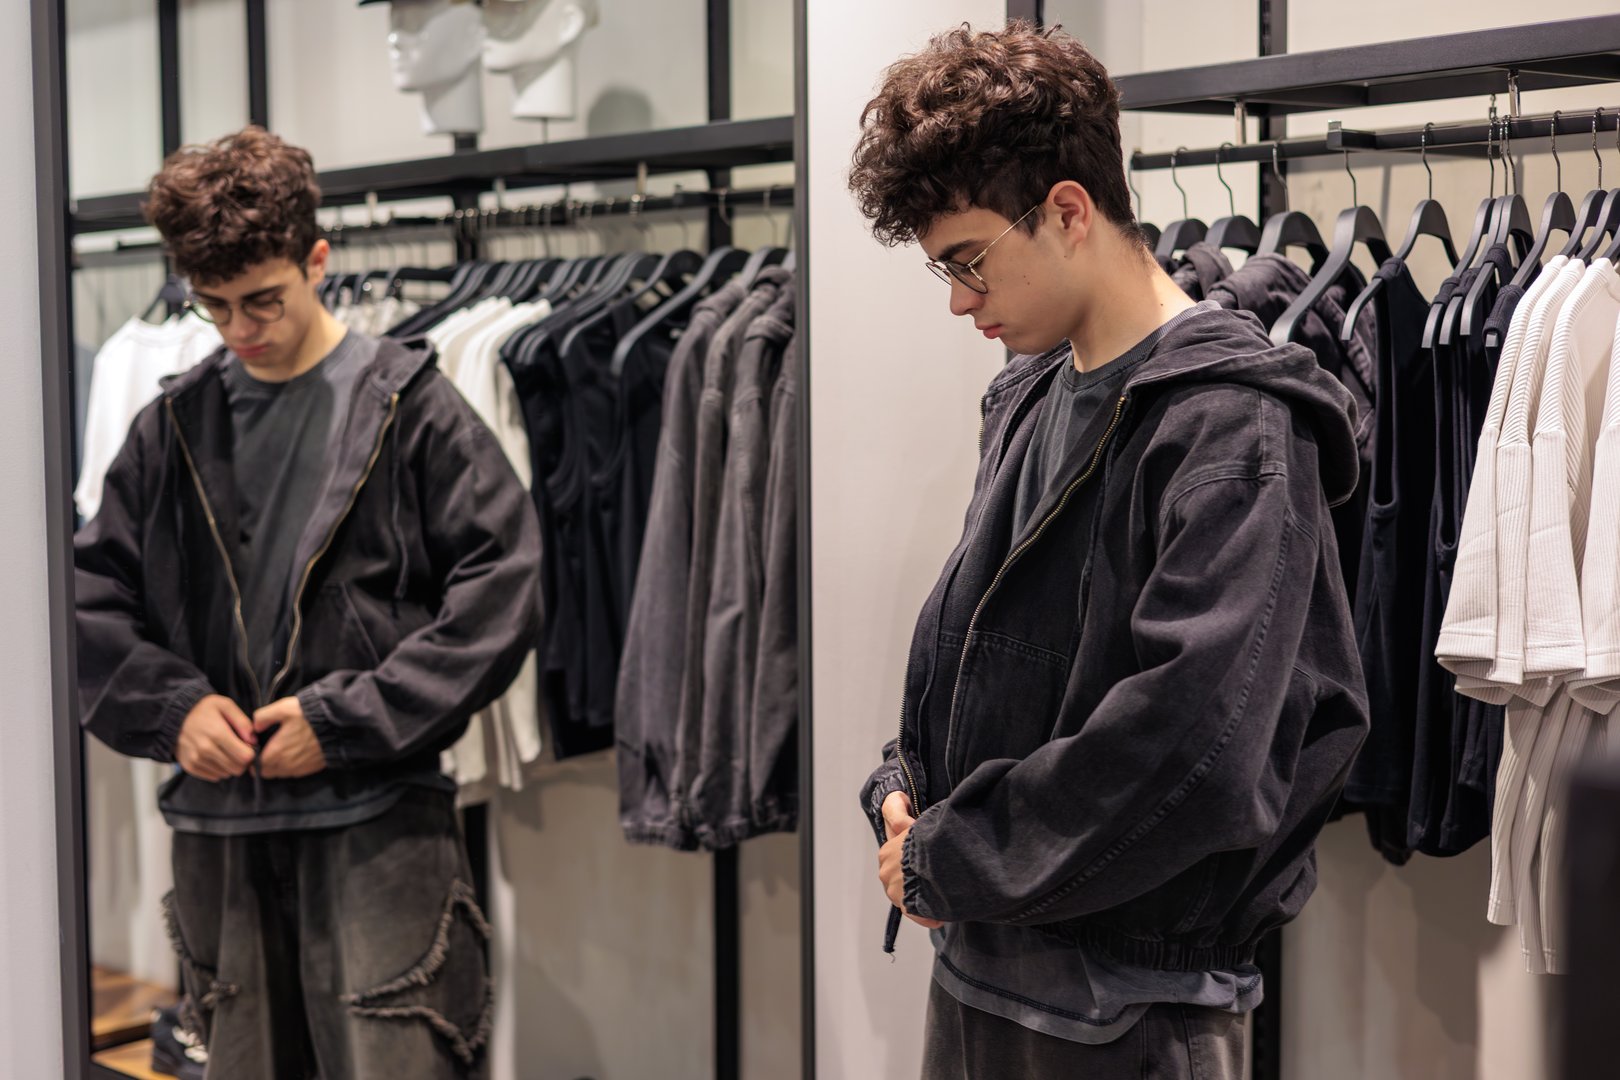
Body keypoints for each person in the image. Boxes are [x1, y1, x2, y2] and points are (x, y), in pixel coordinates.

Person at [848, 23, 1369, 1079]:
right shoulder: (1035, 393)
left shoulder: (1230, 425)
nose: (958, 300)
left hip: (1126, 1012)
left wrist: (957, 851)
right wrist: (910, 779)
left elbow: (1195, 745)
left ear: (1069, 212)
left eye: (969, 261)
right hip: (989, 966)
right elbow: (991, 646)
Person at [74, 127, 541, 1080]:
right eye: (213, 308)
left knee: (397, 1062)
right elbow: (87, 600)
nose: (241, 328)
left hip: (377, 821)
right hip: (220, 828)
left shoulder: (408, 404)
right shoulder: (171, 427)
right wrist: (174, 709)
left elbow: (503, 585)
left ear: (317, 261)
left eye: (262, 301)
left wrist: (343, 721)